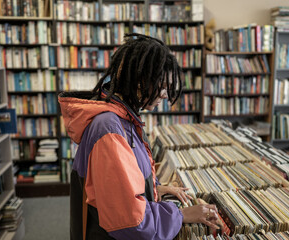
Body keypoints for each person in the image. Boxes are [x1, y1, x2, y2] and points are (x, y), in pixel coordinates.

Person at [59, 33, 220, 240]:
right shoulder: (109, 128)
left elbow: (113, 187)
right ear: (139, 81)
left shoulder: (123, 118)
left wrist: (152, 189)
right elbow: (130, 223)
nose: (165, 95)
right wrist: (180, 214)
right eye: (162, 87)